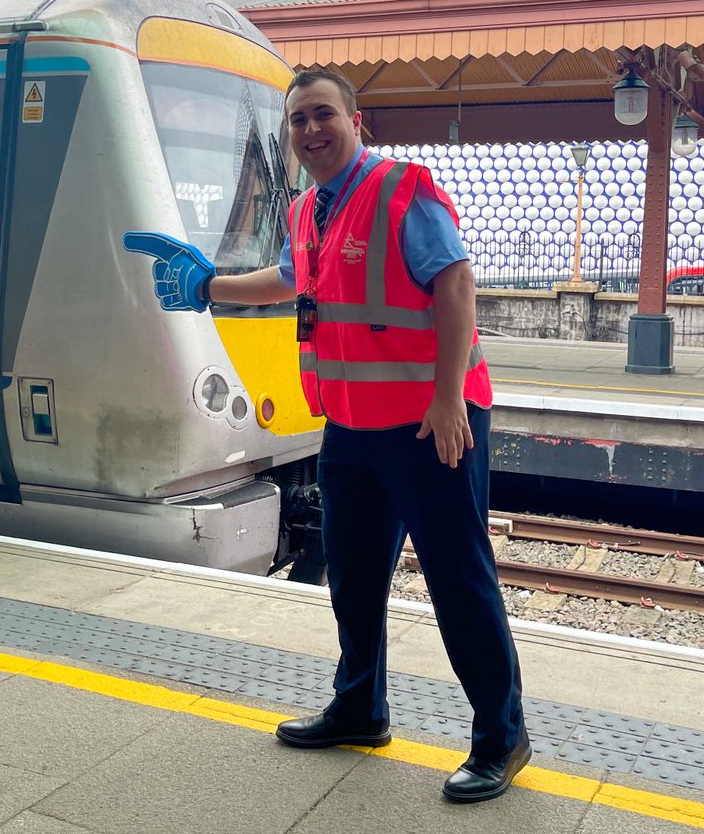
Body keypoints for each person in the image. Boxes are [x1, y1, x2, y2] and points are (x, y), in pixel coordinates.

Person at [123, 68, 528, 804]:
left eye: (322, 115)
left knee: (458, 580)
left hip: (430, 423)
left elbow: (456, 285)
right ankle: (359, 709)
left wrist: (447, 401)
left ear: (355, 120)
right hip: (350, 427)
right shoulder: (311, 210)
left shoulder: (405, 189)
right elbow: (287, 281)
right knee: (353, 573)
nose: (310, 131)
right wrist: (208, 287)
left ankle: (501, 736)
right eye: (297, 121)